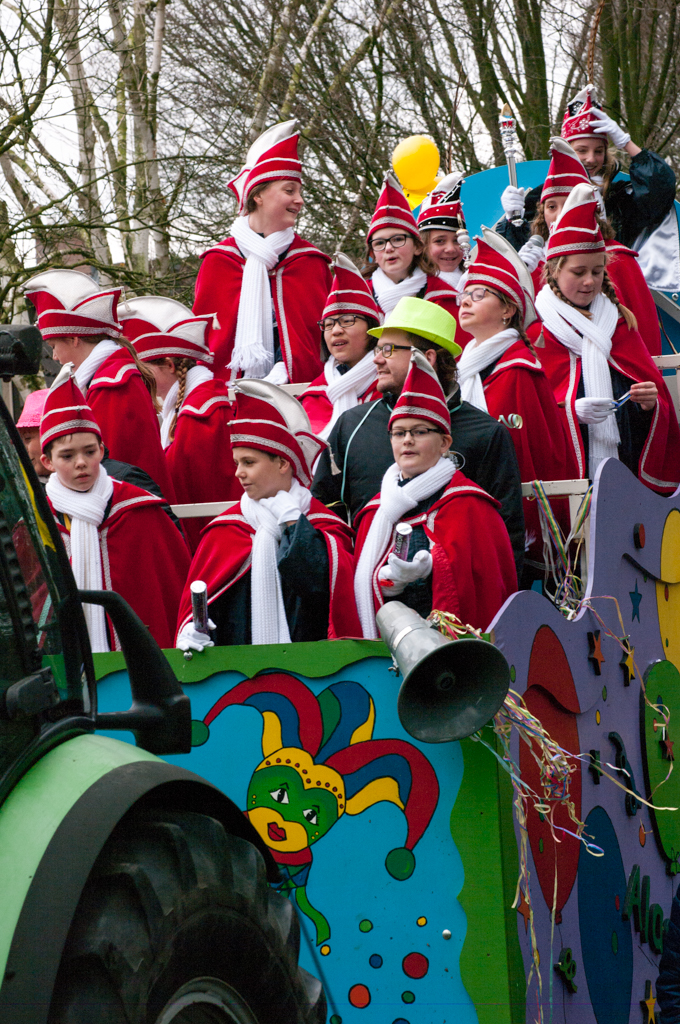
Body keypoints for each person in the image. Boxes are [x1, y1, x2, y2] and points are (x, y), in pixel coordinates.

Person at [312, 296, 526, 582]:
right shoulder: (351, 425)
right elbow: (327, 515)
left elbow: (505, 534)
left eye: (388, 350)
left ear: (427, 358)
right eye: (377, 349)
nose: (376, 359)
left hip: (456, 597)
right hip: (368, 593)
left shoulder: (485, 433)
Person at [176, 380, 361, 651]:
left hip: (313, 665)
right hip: (241, 670)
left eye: (249, 462)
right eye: (237, 463)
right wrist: (193, 628)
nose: (239, 472)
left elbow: (323, 590)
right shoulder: (225, 531)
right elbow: (205, 608)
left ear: (283, 462)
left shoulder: (324, 526)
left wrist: (293, 523)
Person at [353, 350, 516, 636]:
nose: (407, 440)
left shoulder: (470, 505)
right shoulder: (375, 512)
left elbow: (487, 589)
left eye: (419, 431)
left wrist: (432, 569)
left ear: (444, 443)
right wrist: (387, 584)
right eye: (399, 433)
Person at [533, 183, 680, 493]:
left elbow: (655, 401)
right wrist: (570, 412)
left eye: (597, 272)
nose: (589, 281)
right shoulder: (538, 330)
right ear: (554, 271)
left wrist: (649, 404)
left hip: (625, 459)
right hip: (569, 471)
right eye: (578, 272)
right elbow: (534, 415)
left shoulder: (620, 321)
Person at [455, 227, 579, 580]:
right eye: (464, 294)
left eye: (478, 294)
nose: (465, 302)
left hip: (507, 515)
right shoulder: (463, 367)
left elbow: (527, 455)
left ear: (508, 309)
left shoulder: (518, 370)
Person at [40, 365, 190, 651]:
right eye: (67, 456)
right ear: (48, 462)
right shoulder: (39, 520)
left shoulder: (140, 509)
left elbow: (173, 588)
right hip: (68, 663)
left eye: (89, 451)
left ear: (101, 449)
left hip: (140, 660)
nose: (81, 463)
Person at [193, 119, 331, 384]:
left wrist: (288, 367)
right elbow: (204, 341)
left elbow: (321, 340)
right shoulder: (219, 261)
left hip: (300, 393)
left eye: (299, 191)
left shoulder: (310, 262)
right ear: (258, 196)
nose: (300, 200)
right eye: (289, 190)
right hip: (226, 393)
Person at [24, 268, 175, 502]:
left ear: (74, 339)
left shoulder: (112, 384)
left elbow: (107, 471)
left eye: (54, 346)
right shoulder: (111, 376)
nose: (54, 357)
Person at [515, 138, 662, 356]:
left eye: (568, 204)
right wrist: (516, 272)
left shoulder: (618, 259)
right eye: (551, 206)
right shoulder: (532, 263)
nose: (559, 214)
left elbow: (644, 339)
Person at [496, 83, 677, 259]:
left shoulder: (619, 198)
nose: (591, 159)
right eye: (582, 150)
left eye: (598, 151)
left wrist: (626, 143)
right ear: (566, 151)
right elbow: (515, 258)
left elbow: (660, 192)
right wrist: (512, 220)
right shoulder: (541, 197)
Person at [121, 295, 241, 550]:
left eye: (144, 368)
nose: (140, 376)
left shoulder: (202, 411)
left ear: (169, 365)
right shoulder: (193, 404)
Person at [300, 253, 382, 439]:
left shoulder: (391, 386)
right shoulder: (314, 395)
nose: (336, 331)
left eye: (347, 321)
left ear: (372, 328)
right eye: (328, 325)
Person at [362, 172, 458, 319]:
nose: (389, 248)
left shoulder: (444, 296)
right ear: (372, 254)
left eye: (398, 239)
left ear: (418, 247)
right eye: (379, 243)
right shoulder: (359, 297)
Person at [416, 172, 473, 350]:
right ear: (423, 245)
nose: (450, 249)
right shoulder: (415, 289)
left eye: (457, 240)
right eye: (440, 241)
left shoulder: (479, 280)